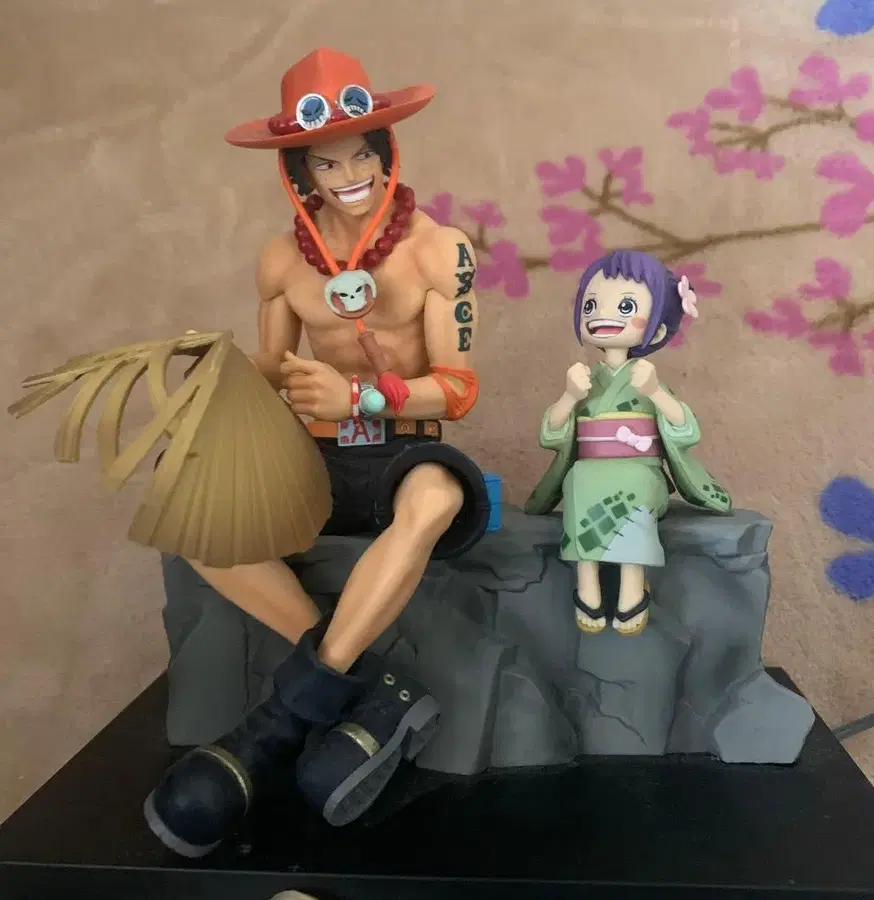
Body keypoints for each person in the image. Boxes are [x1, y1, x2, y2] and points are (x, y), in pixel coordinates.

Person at [144, 48, 490, 857]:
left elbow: (459, 387)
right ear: (300, 173)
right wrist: (218, 369)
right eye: (327, 163)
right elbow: (272, 371)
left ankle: (280, 718)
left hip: (402, 447)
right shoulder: (280, 261)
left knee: (437, 498)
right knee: (191, 508)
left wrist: (363, 398)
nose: (350, 175)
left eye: (361, 154)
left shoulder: (440, 251)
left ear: (385, 151)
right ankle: (367, 690)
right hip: (315, 457)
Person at [524, 250, 731, 635]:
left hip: (640, 470)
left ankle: (632, 587)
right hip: (591, 468)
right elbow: (550, 434)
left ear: (657, 331)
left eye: (625, 306)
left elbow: (686, 429)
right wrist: (569, 396)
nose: (602, 315)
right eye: (591, 305)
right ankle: (587, 585)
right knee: (578, 480)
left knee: (632, 485)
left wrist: (656, 393)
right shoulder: (586, 380)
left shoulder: (647, 378)